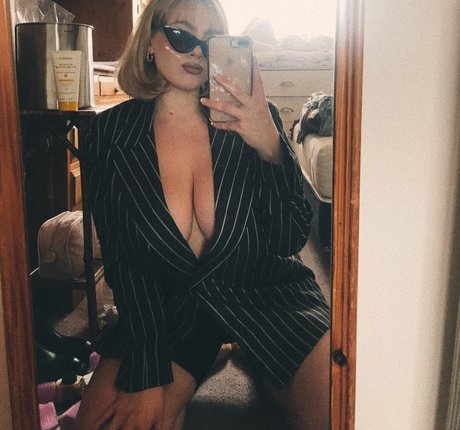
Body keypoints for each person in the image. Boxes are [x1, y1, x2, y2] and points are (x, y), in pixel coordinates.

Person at [75, 0, 331, 429]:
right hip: (168, 307)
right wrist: (150, 372)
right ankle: (209, 349)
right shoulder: (108, 134)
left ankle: (243, 346)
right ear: (150, 42)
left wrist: (271, 147)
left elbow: (288, 238)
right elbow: (125, 264)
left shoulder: (255, 119)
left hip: (266, 292)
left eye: (211, 41)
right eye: (181, 35)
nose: (196, 50)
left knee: (341, 412)